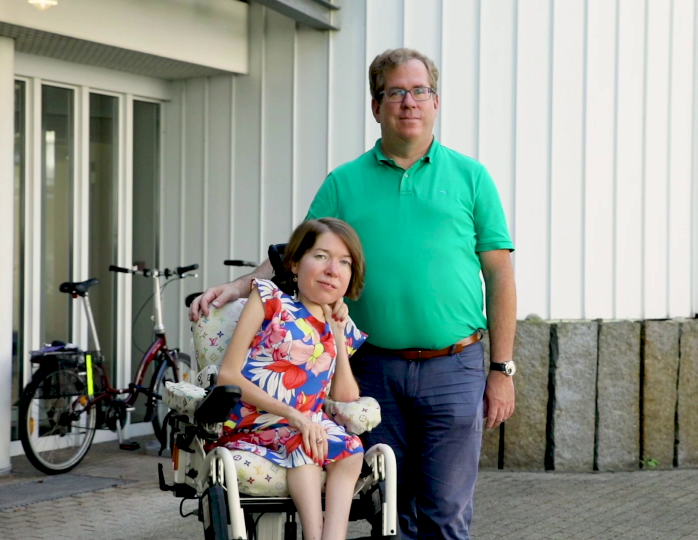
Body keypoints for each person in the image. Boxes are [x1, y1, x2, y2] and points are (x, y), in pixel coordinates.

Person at [191, 48, 516, 540]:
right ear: (375, 105)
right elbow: (297, 252)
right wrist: (238, 286)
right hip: (374, 371)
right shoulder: (345, 182)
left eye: (420, 91)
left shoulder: (472, 178)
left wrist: (502, 369)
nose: (409, 102)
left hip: (456, 367)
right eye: (396, 92)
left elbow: (500, 275)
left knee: (447, 510)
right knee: (390, 509)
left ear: (436, 102)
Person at [213, 218, 369, 540]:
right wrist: (295, 417)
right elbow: (228, 375)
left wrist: (338, 336)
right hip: (256, 421)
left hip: (306, 425)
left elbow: (346, 397)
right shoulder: (270, 299)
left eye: (344, 262)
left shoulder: (342, 325)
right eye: (321, 256)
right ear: (295, 263)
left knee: (352, 448)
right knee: (308, 439)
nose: (332, 269)